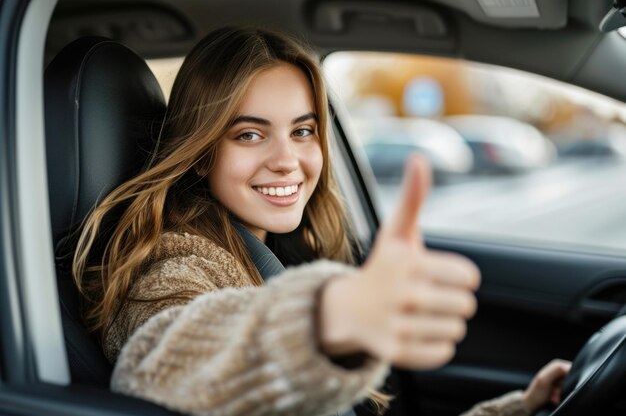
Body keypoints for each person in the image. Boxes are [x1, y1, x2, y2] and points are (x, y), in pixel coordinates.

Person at [72, 26, 570, 416]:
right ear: (202, 153)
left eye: (303, 130)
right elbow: (158, 367)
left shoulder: (285, 250)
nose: (287, 160)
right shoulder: (170, 261)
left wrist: (519, 407)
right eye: (249, 135)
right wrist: (324, 318)